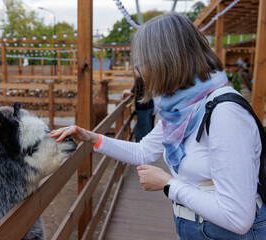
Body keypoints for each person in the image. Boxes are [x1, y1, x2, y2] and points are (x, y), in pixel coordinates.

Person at [50, 13, 266, 239]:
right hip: (195, 226)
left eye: (142, 62)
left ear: (167, 60)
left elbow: (238, 218)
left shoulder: (225, 113)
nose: (138, 71)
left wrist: (169, 184)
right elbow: (144, 152)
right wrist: (91, 138)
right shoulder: (182, 108)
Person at [122, 70, 154, 142]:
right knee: (146, 127)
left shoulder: (140, 79)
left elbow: (133, 91)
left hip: (144, 108)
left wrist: (125, 91)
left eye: (132, 70)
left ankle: (143, 145)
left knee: (143, 128)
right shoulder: (145, 77)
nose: (131, 72)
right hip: (148, 106)